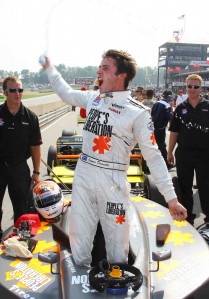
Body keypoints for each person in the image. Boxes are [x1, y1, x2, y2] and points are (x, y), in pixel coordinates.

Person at [40, 49, 187, 267]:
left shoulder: (138, 112)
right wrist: (50, 69)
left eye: (105, 67)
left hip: (114, 182)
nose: (99, 71)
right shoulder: (93, 98)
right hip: (84, 174)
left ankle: (118, 281)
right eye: (100, 66)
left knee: (118, 244)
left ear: (122, 75)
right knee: (79, 239)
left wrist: (171, 198)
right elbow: (66, 93)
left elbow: (153, 156)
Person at [0, 76, 42, 240]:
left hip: (19, 169)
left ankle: (22, 237)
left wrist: (36, 171)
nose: (17, 93)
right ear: (5, 92)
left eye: (20, 90)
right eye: (13, 90)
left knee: (22, 207)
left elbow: (35, 147)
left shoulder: (31, 118)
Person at [167, 74, 209, 225]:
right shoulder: (180, 108)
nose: (192, 89)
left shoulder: (207, 106)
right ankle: (187, 217)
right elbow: (174, 132)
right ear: (186, 87)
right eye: (189, 86)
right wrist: (169, 152)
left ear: (201, 87)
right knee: (185, 187)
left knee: (205, 186)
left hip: (204, 154)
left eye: (195, 86)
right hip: (184, 153)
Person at [151, 89, 173, 168]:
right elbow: (170, 119)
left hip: (153, 128)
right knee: (162, 146)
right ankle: (167, 164)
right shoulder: (166, 106)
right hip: (161, 129)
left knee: (154, 146)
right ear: (169, 97)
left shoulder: (156, 103)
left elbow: (152, 116)